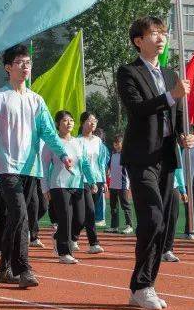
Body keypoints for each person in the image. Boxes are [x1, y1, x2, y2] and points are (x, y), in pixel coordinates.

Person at [0, 44, 73, 289]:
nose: (25, 66)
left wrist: (63, 155)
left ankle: (3, 269)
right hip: (7, 166)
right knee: (19, 214)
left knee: (16, 219)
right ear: (8, 67)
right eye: (20, 62)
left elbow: (49, 133)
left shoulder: (36, 100)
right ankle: (24, 269)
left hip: (31, 168)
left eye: (28, 62)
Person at [117, 16, 194, 310]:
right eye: (153, 33)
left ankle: (145, 284)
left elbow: (176, 117)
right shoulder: (129, 73)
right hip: (141, 157)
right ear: (139, 40)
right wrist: (171, 96)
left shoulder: (172, 74)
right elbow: (138, 109)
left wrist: (184, 136)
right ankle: (142, 286)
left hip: (165, 157)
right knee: (152, 218)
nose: (160, 38)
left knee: (164, 223)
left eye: (163, 32)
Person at [42, 110, 82, 264]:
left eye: (71, 120)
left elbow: (82, 163)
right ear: (58, 124)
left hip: (77, 184)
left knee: (80, 218)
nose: (69, 123)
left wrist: (90, 181)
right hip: (58, 184)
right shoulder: (52, 142)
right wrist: (45, 187)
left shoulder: (78, 142)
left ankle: (59, 236)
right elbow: (44, 166)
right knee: (65, 217)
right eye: (65, 120)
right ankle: (64, 252)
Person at [72, 111, 105, 254]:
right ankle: (93, 243)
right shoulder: (77, 141)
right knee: (89, 212)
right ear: (82, 123)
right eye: (90, 121)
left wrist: (103, 181)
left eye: (95, 121)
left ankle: (71, 238)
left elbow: (101, 162)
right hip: (82, 180)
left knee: (88, 214)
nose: (93, 123)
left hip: (97, 180)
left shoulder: (98, 141)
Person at [106, 135, 133, 234]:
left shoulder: (125, 155)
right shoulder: (113, 154)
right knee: (113, 206)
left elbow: (130, 169)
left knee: (125, 205)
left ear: (123, 144)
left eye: (119, 143)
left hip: (123, 184)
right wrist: (108, 171)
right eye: (115, 143)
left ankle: (129, 225)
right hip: (113, 184)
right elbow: (109, 166)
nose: (117, 145)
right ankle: (114, 226)